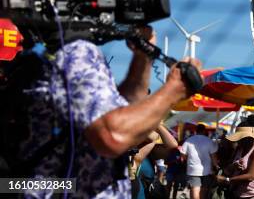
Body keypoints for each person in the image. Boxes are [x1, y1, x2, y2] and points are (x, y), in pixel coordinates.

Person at [16, 22, 201, 198]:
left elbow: (124, 106)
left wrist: (143, 55)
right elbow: (113, 135)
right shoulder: (75, 52)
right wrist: (175, 89)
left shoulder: (48, 54)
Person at [216, 119, 254, 199]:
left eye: (240, 138)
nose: (238, 140)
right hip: (235, 193)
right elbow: (228, 168)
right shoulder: (239, 149)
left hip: (253, 196)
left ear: (248, 138)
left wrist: (227, 180)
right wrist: (233, 166)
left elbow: (250, 176)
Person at [181, 123, 219, 199]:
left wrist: (187, 160)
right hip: (207, 170)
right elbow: (214, 157)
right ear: (204, 131)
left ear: (196, 131)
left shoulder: (189, 140)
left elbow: (183, 155)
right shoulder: (209, 141)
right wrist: (216, 166)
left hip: (193, 169)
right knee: (203, 189)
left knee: (195, 188)